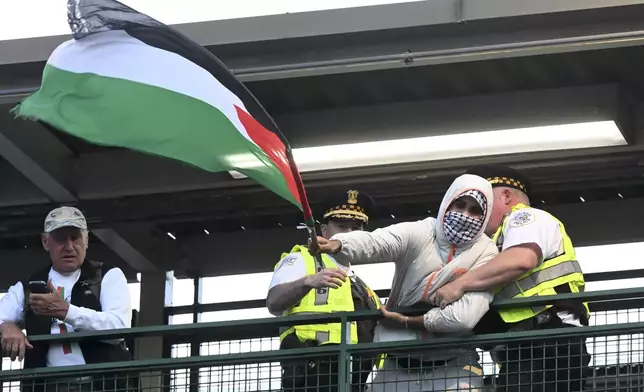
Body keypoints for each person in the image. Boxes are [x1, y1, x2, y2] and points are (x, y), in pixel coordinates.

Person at [311, 174, 499, 392]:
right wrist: (338, 244)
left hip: (454, 367)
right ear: (448, 202)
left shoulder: (487, 253)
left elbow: (463, 318)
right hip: (395, 366)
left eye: (475, 211)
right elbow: (378, 242)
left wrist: (407, 320)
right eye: (460, 204)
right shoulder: (422, 231)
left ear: (485, 217)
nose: (465, 215)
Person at [430, 165, 591, 392]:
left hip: (549, 341)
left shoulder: (525, 218)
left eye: (483, 203)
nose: (479, 212)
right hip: (533, 345)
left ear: (506, 196)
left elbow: (522, 259)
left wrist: (460, 285)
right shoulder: (496, 239)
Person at [0, 206, 132, 392]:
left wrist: (65, 311)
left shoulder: (107, 276)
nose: (69, 246)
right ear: (45, 242)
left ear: (86, 240)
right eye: (61, 238)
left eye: (75, 237)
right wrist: (7, 326)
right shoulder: (30, 285)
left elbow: (118, 328)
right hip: (47, 387)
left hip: (101, 386)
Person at [267, 190, 382, 392]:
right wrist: (307, 282)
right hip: (312, 370)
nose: (348, 234)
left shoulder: (365, 290)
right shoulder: (303, 259)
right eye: (341, 226)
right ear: (323, 230)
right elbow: (274, 302)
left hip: (353, 378)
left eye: (355, 228)